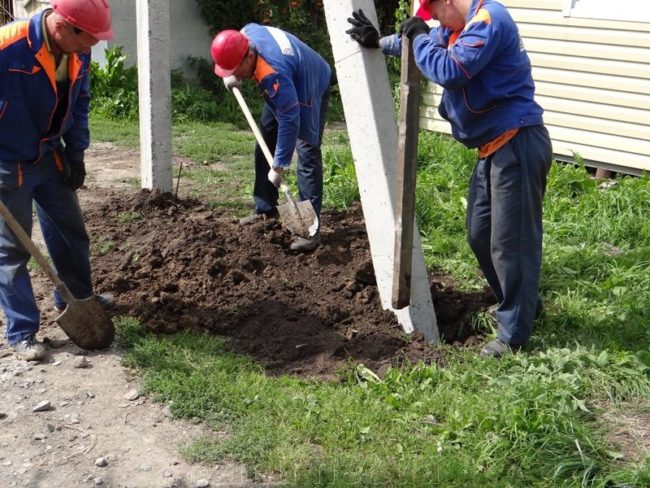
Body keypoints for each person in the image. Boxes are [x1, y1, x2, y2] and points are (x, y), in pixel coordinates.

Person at [347, 0, 553, 357]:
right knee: (480, 233)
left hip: (517, 143)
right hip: (493, 147)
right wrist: (378, 41)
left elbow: (451, 69)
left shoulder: (489, 20)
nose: (435, 22)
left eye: (435, 12)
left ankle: (513, 336)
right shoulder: (457, 26)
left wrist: (422, 37)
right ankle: (520, 305)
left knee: (511, 243)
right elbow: (420, 40)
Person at [0, 0, 115, 361]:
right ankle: (22, 332)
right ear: (62, 26)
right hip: (8, 159)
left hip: (49, 155)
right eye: (87, 39)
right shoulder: (8, 45)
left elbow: (80, 101)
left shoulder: (79, 49)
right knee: (13, 250)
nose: (90, 47)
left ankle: (78, 297)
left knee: (71, 232)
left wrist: (76, 151)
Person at [210, 24, 331, 252]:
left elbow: (290, 120)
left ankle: (310, 231)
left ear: (249, 57)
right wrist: (232, 74)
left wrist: (279, 164)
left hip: (310, 82)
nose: (234, 73)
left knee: (307, 151)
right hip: (287, 76)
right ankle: (265, 209)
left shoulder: (274, 74)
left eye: (235, 69)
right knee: (265, 138)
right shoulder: (244, 36)